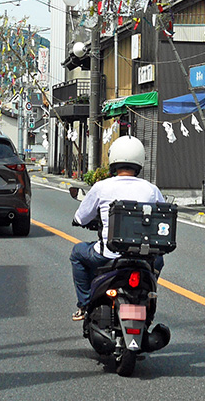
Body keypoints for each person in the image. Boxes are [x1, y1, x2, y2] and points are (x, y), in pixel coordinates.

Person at [69, 135, 166, 320]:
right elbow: (161, 216)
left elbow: (81, 217)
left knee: (77, 253)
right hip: (144, 256)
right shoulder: (151, 189)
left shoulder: (102, 187)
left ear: (113, 160)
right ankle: (148, 296)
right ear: (140, 161)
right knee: (158, 261)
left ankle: (85, 303)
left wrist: (79, 220)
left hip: (109, 255)